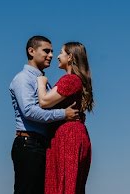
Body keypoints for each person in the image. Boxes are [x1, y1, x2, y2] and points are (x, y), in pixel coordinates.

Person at [10, 35, 80, 194]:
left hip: (41, 145)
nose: (51, 55)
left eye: (52, 51)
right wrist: (64, 114)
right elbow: (29, 111)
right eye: (46, 51)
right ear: (31, 51)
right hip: (28, 143)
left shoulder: (43, 81)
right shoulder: (23, 79)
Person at [37, 42, 94, 194]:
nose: (57, 56)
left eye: (61, 52)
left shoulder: (70, 80)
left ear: (70, 57)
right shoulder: (78, 80)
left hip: (67, 136)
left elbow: (44, 101)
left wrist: (41, 82)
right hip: (74, 134)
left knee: (64, 185)